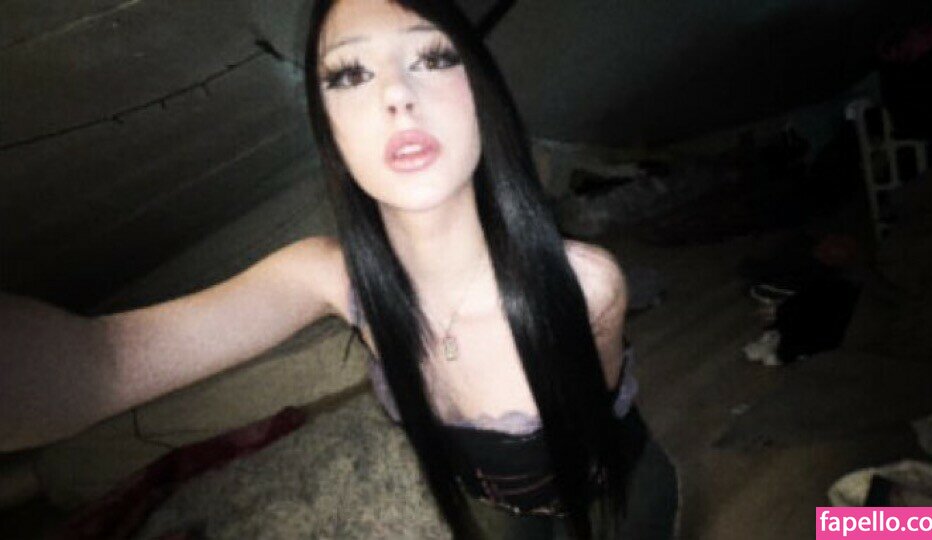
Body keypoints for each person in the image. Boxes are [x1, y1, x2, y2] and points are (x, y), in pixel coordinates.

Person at [0, 0, 677, 537]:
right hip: (496, 513)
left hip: (614, 498)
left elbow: (599, 428)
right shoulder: (326, 278)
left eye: (432, 57)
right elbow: (103, 364)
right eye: (350, 75)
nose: (397, 96)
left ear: (482, 94)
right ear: (329, 128)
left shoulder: (586, 285)